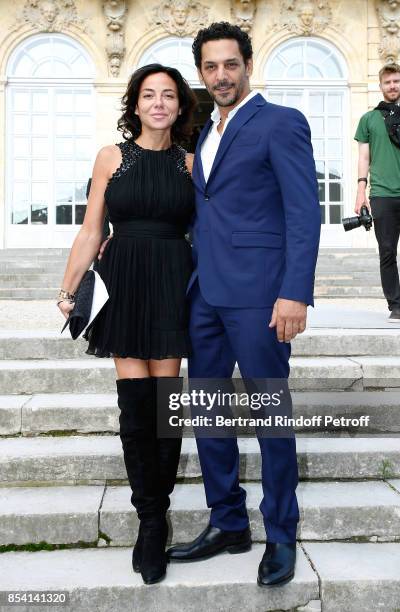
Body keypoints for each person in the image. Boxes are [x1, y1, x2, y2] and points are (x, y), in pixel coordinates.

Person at [166, 22, 321, 588]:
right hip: (204, 295)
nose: (221, 75)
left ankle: (281, 532)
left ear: (248, 64)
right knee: (206, 413)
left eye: (230, 64)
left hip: (261, 298)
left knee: (270, 417)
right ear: (201, 73)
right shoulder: (204, 130)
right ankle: (227, 521)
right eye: (210, 67)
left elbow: (305, 213)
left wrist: (295, 291)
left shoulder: (280, 122)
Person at [57, 63, 196, 585]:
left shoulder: (191, 162)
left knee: (166, 405)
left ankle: (156, 517)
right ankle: (149, 521)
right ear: (134, 104)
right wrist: (69, 288)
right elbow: (92, 229)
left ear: (180, 106)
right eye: (148, 95)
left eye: (167, 95)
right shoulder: (110, 157)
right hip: (124, 280)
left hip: (171, 279)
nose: (158, 103)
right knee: (134, 406)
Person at [354, 62, 400, 322]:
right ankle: (395, 305)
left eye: (396, 81)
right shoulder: (369, 119)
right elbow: (364, 157)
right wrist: (360, 190)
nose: (392, 86)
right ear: (381, 86)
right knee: (387, 250)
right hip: (383, 194)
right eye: (388, 82)